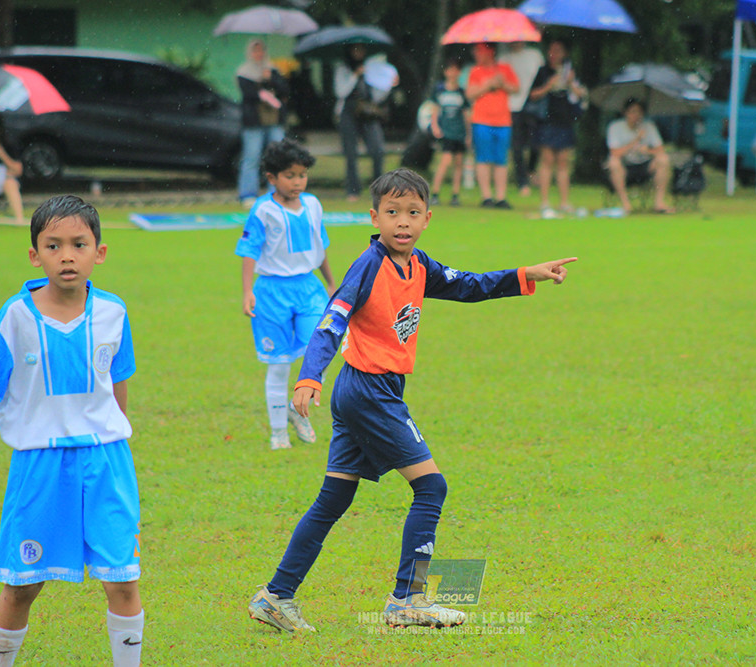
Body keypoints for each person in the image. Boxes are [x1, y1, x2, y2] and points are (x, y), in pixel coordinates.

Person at [246, 168, 576, 632]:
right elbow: (331, 320)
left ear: (427, 219)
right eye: (393, 212)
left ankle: (275, 596)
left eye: (413, 213)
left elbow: (469, 284)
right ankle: (408, 599)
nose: (402, 221)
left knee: (333, 498)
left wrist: (526, 274)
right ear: (375, 217)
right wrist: (309, 377)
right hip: (368, 392)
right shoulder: (369, 265)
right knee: (432, 487)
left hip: (367, 392)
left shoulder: (418, 264)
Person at [0, 195, 144, 667]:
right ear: (35, 255)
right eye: (53, 246)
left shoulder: (114, 313)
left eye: (79, 244)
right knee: (21, 584)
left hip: (106, 460)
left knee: (122, 578)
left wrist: (116, 429)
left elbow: (119, 384)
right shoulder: (16, 316)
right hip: (39, 462)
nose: (67, 255)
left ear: (100, 252)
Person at [236, 139, 337, 450]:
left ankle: (297, 408)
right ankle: (278, 433)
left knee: (319, 350)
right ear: (272, 178)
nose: (297, 182)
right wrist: (247, 290)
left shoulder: (314, 205)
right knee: (279, 364)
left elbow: (319, 247)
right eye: (290, 176)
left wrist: (332, 284)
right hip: (271, 292)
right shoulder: (263, 210)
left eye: (302, 175)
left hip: (309, 288)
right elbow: (250, 250)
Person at [528, 40, 587, 218]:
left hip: (565, 121)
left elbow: (581, 96)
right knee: (547, 160)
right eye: (552, 50)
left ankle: (564, 202)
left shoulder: (571, 72)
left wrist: (570, 83)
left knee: (563, 162)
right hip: (547, 120)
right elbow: (533, 95)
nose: (554, 54)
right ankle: (545, 202)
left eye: (558, 50)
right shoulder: (543, 71)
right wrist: (549, 85)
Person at [334, 44, 396, 202]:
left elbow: (377, 95)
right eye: (355, 49)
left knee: (377, 150)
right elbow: (341, 92)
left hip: (368, 114)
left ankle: (378, 189)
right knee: (351, 153)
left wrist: (389, 84)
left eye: (361, 50)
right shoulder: (343, 68)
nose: (358, 52)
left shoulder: (372, 68)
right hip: (348, 113)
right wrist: (355, 75)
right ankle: (352, 190)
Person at [465, 43, 520, 209]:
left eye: (480, 51)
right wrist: (488, 85)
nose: (477, 54)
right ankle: (486, 196)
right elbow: (470, 93)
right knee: (483, 157)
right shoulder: (476, 71)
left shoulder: (504, 69)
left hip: (502, 120)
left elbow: (516, 88)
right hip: (482, 120)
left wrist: (502, 83)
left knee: (500, 159)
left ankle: (501, 196)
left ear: (490, 52)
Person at [236, 38, 290, 207]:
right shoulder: (244, 72)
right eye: (255, 51)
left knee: (276, 157)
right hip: (254, 121)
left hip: (273, 120)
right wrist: (261, 81)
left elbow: (284, 90)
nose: (258, 54)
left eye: (261, 51)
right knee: (251, 158)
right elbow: (249, 94)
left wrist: (270, 79)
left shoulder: (273, 69)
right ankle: (248, 194)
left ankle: (274, 193)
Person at [606, 98, 674, 215]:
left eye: (639, 112)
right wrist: (636, 141)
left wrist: (647, 151)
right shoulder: (615, 127)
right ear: (625, 113)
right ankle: (626, 204)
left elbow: (660, 150)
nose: (636, 115)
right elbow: (615, 153)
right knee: (613, 162)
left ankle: (659, 202)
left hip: (645, 165)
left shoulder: (649, 126)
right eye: (633, 111)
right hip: (625, 165)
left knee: (663, 160)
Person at [499, 42, 545, 197]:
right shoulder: (504, 58)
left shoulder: (534, 55)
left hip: (531, 104)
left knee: (535, 143)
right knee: (517, 146)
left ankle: (531, 170)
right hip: (511, 105)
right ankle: (522, 181)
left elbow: (541, 77)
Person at [427, 59, 470, 207]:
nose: (453, 73)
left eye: (456, 70)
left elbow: (465, 114)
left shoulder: (461, 92)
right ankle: (435, 193)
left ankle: (455, 194)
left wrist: (468, 134)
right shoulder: (439, 90)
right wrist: (435, 126)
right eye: (450, 69)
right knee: (445, 162)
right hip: (446, 132)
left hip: (459, 132)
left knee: (459, 163)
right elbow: (435, 109)